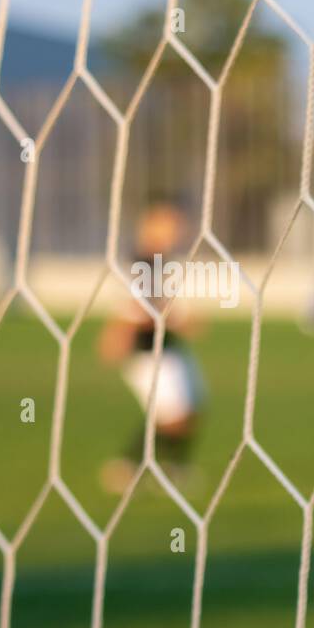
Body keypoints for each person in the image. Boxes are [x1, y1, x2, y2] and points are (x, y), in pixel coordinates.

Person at [98, 200, 206, 494]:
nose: (178, 230)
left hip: (169, 348)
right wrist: (174, 320)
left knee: (192, 409)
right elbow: (135, 307)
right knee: (174, 416)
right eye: (170, 224)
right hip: (147, 352)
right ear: (151, 225)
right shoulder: (140, 261)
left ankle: (172, 467)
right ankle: (128, 465)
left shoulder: (160, 260)